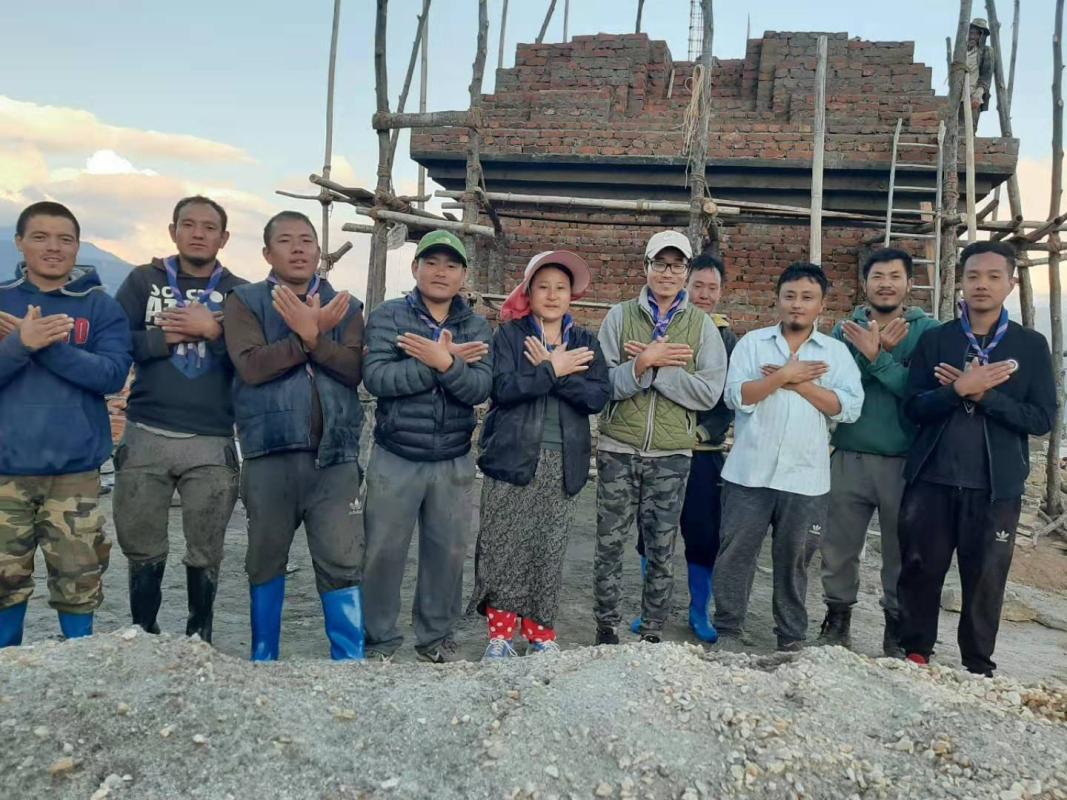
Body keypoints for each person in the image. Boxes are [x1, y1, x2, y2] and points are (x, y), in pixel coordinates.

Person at [898, 240, 1055, 677]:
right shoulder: (937, 340)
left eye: (992, 276)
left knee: (986, 578)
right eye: (972, 276)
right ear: (960, 282)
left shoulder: (1029, 345)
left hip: (996, 486)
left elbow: (1041, 418)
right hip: (932, 478)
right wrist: (955, 392)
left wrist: (984, 394)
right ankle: (915, 652)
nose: (981, 285)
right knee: (919, 569)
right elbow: (912, 409)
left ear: (1011, 282)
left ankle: (977, 664)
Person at [224, 211, 366, 661]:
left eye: (307, 240)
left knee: (342, 561)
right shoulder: (245, 301)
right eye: (286, 241)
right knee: (265, 559)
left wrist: (316, 335)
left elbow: (351, 369)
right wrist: (307, 338)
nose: (299, 248)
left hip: (335, 460)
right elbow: (252, 365)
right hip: (270, 455)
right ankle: (264, 659)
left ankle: (349, 663)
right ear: (268, 253)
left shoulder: (347, 306)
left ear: (319, 252)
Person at [112, 196, 247, 643]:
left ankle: (198, 637)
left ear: (223, 238)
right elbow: (114, 341)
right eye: (188, 225)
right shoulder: (141, 282)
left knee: (205, 548)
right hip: (146, 430)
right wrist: (167, 337)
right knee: (142, 543)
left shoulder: (239, 293)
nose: (198, 233)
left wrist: (214, 331)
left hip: (211, 437)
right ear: (173, 231)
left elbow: (251, 361)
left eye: (209, 227)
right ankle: (143, 633)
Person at [0, 202, 132, 646]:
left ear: (77, 246)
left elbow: (111, 374)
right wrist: (19, 345)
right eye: (40, 237)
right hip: (4, 472)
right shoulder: (1, 301)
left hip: (74, 475)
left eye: (65, 239)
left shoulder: (99, 307)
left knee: (78, 583)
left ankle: (78, 677)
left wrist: (44, 346)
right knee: (2, 585)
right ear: (20, 242)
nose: (53, 247)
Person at [713, 262, 863, 651]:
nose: (797, 305)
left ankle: (791, 636)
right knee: (735, 554)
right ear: (777, 300)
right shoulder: (752, 344)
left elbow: (847, 408)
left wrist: (797, 383)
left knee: (795, 559)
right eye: (790, 296)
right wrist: (780, 376)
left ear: (822, 305)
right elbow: (738, 396)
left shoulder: (836, 354)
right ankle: (729, 630)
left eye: (807, 298)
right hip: (749, 471)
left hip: (806, 477)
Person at [469, 251, 610, 660]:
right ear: (528, 292)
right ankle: (499, 637)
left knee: (547, 549)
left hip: (563, 460)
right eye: (543, 286)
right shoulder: (510, 337)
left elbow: (597, 396)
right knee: (502, 546)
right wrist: (553, 370)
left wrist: (554, 369)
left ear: (572, 296)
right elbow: (503, 388)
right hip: (512, 457)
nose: (552, 294)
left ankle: (541, 636)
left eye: (561, 288)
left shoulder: (585, 341)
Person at [361, 230, 492, 663]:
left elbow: (478, 388)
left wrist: (444, 363)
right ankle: (378, 639)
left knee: (447, 553)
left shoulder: (475, 325)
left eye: (451, 264)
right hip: (395, 455)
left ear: (463, 275)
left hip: (453, 459)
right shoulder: (389, 317)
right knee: (382, 550)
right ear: (415, 268)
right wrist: (440, 364)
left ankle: (435, 637)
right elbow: (378, 378)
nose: (441, 272)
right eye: (431, 262)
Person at [593, 230, 727, 646]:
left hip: (672, 454)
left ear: (686, 272)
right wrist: (639, 366)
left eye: (677, 265)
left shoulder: (702, 326)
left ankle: (652, 629)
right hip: (618, 448)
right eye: (660, 264)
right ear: (646, 267)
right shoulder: (618, 316)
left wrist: (655, 367)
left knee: (662, 548)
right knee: (610, 546)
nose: (668, 273)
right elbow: (602, 385)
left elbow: (709, 391)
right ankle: (606, 626)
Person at [817, 248, 940, 656]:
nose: (885, 283)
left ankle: (895, 626)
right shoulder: (843, 330)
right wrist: (864, 353)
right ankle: (837, 619)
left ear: (909, 283)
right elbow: (835, 385)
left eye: (894, 276)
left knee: (900, 550)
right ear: (865, 283)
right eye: (877, 276)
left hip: (904, 462)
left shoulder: (928, 332)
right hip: (849, 454)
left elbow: (922, 394)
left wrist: (879, 357)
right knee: (838, 546)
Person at [630, 252, 738, 643]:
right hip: (657, 449)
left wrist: (704, 435)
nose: (705, 295)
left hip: (702, 455)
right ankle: (651, 610)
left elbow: (725, 400)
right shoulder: (661, 327)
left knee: (702, 533)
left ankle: (698, 610)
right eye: (699, 286)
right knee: (652, 532)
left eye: (713, 288)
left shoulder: (725, 336)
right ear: (684, 286)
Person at [964, 18, 993, 133]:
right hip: (959, 95)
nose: (972, 36)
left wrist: (978, 94)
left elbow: (986, 75)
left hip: (973, 95)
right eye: (971, 33)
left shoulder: (986, 52)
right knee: (954, 129)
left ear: (981, 36)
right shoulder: (962, 51)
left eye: (976, 34)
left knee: (970, 129)